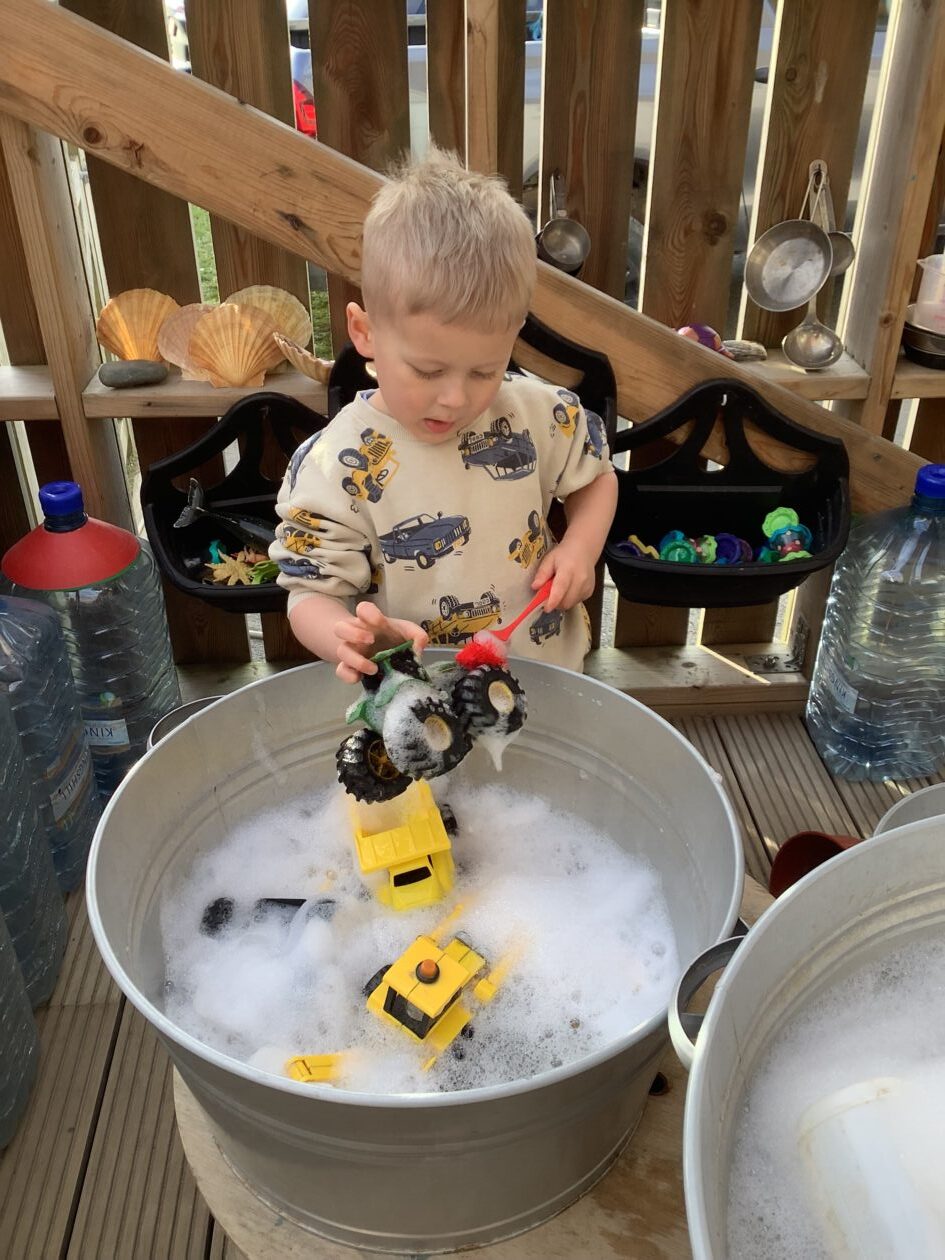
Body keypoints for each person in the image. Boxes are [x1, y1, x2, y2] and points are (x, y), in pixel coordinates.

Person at [270, 147, 617, 683]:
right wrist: (346, 637)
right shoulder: (334, 465)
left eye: (484, 370)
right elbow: (308, 593)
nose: (455, 398)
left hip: (544, 676)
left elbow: (595, 477)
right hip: (413, 693)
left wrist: (580, 548)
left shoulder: (534, 415)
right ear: (365, 333)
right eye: (428, 371)